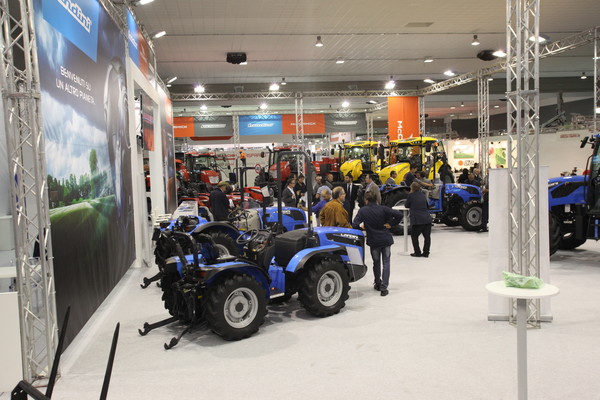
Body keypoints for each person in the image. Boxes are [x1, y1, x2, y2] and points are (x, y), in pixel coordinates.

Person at [352, 191, 403, 296]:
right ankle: (384, 287)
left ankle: (377, 283)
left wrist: (361, 228)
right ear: (376, 199)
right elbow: (399, 215)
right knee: (386, 263)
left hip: (374, 240)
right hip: (385, 239)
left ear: (366, 200)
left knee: (376, 263)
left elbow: (355, 224)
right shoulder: (383, 209)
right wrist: (391, 224)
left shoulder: (363, 211)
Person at [405, 182, 432, 257]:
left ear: (412, 188)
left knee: (414, 236)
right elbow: (427, 206)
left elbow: (406, 205)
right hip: (427, 219)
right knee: (427, 237)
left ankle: (417, 252)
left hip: (417, 220)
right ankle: (426, 252)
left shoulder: (411, 195)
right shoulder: (423, 195)